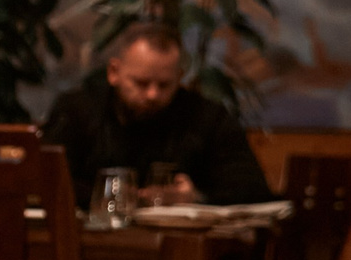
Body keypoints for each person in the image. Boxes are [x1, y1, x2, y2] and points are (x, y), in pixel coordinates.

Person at [40, 20, 275, 207]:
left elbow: (251, 187)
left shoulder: (208, 117)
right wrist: (110, 196)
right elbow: (47, 180)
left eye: (164, 85)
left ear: (179, 77)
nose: (153, 94)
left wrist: (196, 197)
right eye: (141, 83)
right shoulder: (76, 110)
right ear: (114, 72)